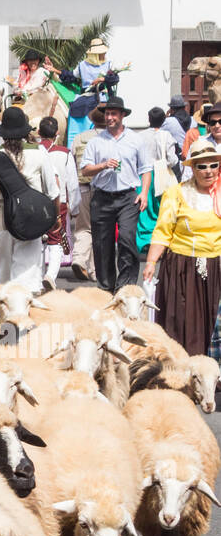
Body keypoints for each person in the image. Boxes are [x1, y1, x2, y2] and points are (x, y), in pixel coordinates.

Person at [142, 141, 221, 356]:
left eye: (213, 165)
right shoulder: (177, 193)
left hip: (217, 266)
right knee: (184, 321)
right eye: (201, 167)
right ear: (193, 169)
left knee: (215, 321)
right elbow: (162, 230)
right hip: (182, 267)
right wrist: (151, 262)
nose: (208, 171)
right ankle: (182, 370)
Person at [0, 107, 59, 292]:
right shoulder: (40, 152)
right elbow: (53, 192)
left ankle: (3, 308)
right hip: (32, 215)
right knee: (28, 272)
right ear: (25, 130)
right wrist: (55, 218)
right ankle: (24, 311)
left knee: (1, 272)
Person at [81, 95, 151, 292]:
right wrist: (103, 165)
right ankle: (105, 288)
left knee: (127, 239)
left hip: (128, 197)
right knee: (102, 245)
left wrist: (144, 193)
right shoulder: (96, 142)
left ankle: (126, 287)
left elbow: (146, 169)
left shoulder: (136, 140)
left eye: (113, 113)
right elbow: (85, 170)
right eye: (107, 114)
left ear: (122, 115)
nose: (110, 117)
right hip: (102, 197)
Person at [37, 115, 79, 289]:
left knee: (36, 239)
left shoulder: (32, 150)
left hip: (35, 201)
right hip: (58, 201)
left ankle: (38, 276)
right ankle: (51, 276)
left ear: (38, 132)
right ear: (57, 133)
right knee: (56, 240)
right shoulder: (65, 153)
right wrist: (74, 208)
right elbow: (73, 184)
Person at [137, 107, 182, 253]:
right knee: (161, 208)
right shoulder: (167, 136)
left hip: (143, 174)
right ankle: (159, 239)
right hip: (161, 175)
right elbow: (172, 159)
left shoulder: (140, 135)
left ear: (148, 119)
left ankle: (144, 240)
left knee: (144, 209)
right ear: (163, 120)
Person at [68, 107, 104, 282]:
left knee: (83, 227)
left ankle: (80, 259)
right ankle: (95, 269)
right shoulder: (110, 139)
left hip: (82, 187)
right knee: (101, 230)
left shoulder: (80, 137)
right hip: (103, 189)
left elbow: (73, 159)